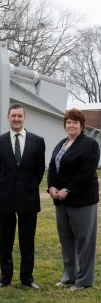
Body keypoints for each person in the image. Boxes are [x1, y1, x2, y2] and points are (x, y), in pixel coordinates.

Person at [0, 103, 45, 289]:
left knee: (27, 242)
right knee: (5, 241)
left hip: (28, 199)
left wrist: (27, 187)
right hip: (5, 199)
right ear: (8, 117)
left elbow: (39, 171)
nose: (16, 119)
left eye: (19, 116)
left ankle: (27, 278)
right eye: (13, 116)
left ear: (25, 117)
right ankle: (5, 278)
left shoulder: (37, 141)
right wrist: (8, 187)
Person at [47, 108, 100, 291]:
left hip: (82, 200)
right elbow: (53, 167)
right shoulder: (62, 143)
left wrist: (68, 189)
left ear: (82, 125)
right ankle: (68, 276)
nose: (71, 125)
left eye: (75, 122)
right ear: (65, 125)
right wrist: (52, 187)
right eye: (68, 122)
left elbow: (86, 172)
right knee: (66, 239)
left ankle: (84, 281)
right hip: (61, 201)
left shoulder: (90, 144)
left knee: (84, 241)